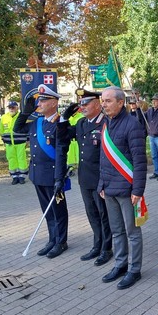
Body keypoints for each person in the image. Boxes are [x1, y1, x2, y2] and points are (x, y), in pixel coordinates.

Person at [98, 86, 147, 290]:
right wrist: (101, 184)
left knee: (132, 232)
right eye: (103, 100)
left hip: (127, 190)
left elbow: (140, 161)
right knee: (117, 231)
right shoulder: (106, 124)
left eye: (108, 101)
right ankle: (120, 264)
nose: (103, 104)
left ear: (120, 102)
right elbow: (103, 159)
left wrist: (138, 190)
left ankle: (134, 270)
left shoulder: (132, 125)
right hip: (108, 189)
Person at [57, 89, 113, 265]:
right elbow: (63, 135)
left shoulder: (106, 123)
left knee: (104, 214)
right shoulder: (81, 123)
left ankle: (107, 248)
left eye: (85, 103)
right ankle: (97, 245)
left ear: (97, 104)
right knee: (92, 214)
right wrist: (64, 118)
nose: (82, 107)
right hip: (85, 178)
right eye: (80, 104)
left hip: (101, 177)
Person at [14, 84, 69, 258]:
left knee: (58, 210)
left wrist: (59, 178)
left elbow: (61, 153)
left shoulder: (60, 124)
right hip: (38, 174)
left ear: (54, 103)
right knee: (46, 209)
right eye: (39, 100)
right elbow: (17, 129)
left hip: (53, 175)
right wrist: (25, 112)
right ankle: (52, 239)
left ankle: (61, 242)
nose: (40, 103)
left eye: (44, 100)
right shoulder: (37, 122)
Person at [0, 101, 28, 185]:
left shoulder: (21, 116)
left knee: (21, 158)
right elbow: (1, 130)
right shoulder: (4, 117)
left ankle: (22, 176)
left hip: (20, 142)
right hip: (9, 143)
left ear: (17, 108)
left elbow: (27, 129)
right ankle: (14, 177)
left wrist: (28, 140)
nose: (11, 109)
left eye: (13, 107)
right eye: (10, 107)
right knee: (11, 159)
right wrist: (3, 140)